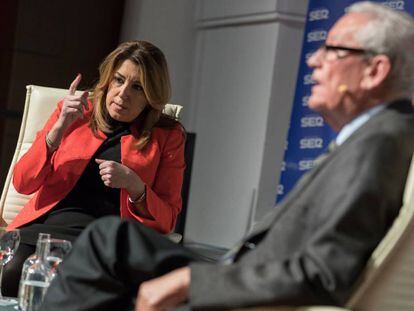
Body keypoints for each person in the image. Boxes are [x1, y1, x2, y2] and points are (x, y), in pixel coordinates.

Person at [40, 2, 414, 310]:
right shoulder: (371, 135)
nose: (315, 60)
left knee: (107, 243)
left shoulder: (382, 140)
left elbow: (324, 272)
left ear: (375, 71)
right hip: (245, 272)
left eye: (333, 51)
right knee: (112, 242)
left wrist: (193, 280)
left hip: (255, 293)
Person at [3, 40, 186, 296]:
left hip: (104, 238)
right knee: (11, 274)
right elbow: (23, 182)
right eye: (119, 80)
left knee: (66, 285)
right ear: (108, 79)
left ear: (151, 96)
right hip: (48, 227)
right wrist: (58, 128)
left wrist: (135, 185)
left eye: (137, 87)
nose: (123, 94)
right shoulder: (77, 111)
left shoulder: (168, 135)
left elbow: (168, 219)